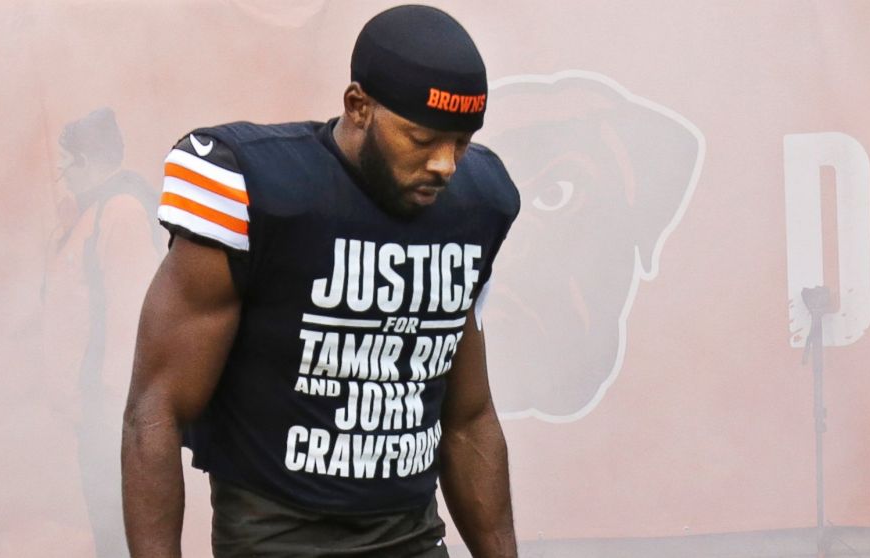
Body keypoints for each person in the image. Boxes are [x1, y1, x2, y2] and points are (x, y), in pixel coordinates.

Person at [122, 6, 519, 557]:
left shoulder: (477, 205)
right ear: (359, 106)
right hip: (277, 536)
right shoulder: (256, 187)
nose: (445, 165)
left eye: (462, 141)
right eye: (422, 138)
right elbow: (156, 407)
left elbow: (469, 417)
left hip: (411, 534)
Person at [43, 108, 162, 558]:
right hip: (94, 416)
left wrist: (112, 411)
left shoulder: (121, 214)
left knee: (120, 533)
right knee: (108, 529)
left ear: (90, 162)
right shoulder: (90, 214)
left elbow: (131, 318)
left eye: (67, 162)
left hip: (111, 417)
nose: (62, 172)